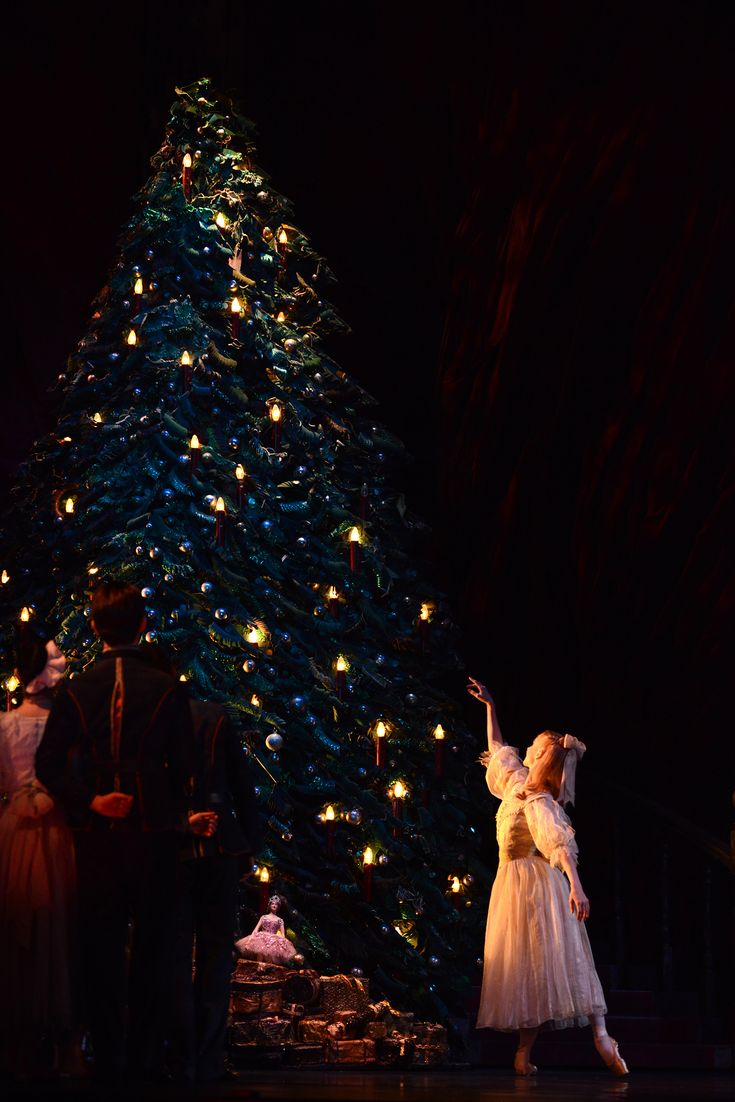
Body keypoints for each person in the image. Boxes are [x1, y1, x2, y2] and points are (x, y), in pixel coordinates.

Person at [35, 581, 195, 1081]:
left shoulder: (77, 690)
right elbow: (185, 767)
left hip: (100, 838)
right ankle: (144, 1062)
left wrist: (93, 800)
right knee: (153, 951)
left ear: (95, 627)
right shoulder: (169, 689)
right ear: (144, 626)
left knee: (101, 950)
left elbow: (48, 765)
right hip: (154, 836)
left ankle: (107, 1058)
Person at [468, 677, 628, 1077]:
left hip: (537, 884)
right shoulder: (515, 784)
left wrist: (575, 884)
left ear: (541, 758)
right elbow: (498, 749)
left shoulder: (539, 800)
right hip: (513, 886)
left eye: (535, 748)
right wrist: (491, 707)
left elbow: (558, 845)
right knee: (529, 968)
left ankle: (602, 1037)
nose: (527, 750)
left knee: (562, 960)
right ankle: (524, 1053)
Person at [138, 641, 260, 1084]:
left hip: (171, 848)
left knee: (174, 954)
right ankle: (206, 1059)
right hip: (221, 849)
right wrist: (247, 846)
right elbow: (243, 788)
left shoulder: (145, 722)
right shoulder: (212, 714)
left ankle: (183, 1057)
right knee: (214, 956)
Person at [0, 634, 82, 1078]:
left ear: (18, 674)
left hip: (15, 830)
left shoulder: (5, 725)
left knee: (17, 927)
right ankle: (65, 1043)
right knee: (58, 924)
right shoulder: (66, 726)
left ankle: (16, 1041)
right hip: (54, 830)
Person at [235, 895, 298, 965]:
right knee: (260, 956)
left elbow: (283, 935)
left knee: (269, 960)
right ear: (270, 905)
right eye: (273, 903)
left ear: (278, 907)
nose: (274, 905)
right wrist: (249, 940)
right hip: (261, 938)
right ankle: (258, 970)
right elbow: (256, 929)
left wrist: (284, 945)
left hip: (273, 941)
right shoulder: (264, 917)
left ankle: (267, 971)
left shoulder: (280, 920)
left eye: (276, 904)